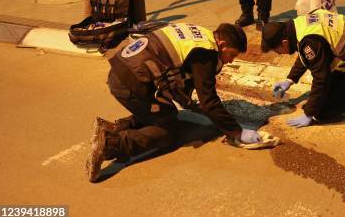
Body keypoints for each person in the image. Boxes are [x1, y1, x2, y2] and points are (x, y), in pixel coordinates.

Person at [86, 22, 260, 182]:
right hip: (131, 84)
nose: (231, 61)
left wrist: (191, 105)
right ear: (222, 45)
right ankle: (111, 144)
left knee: (167, 113)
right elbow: (209, 101)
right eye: (232, 55)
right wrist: (236, 131)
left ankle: (114, 127)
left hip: (121, 69)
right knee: (168, 131)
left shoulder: (200, 34)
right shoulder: (206, 54)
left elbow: (179, 79)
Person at [260, 9, 345, 128]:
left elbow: (321, 79)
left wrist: (309, 114)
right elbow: (307, 56)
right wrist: (289, 80)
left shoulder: (310, 41)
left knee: (321, 111)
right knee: (317, 100)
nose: (279, 54)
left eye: (277, 51)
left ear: (285, 42)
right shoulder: (301, 23)